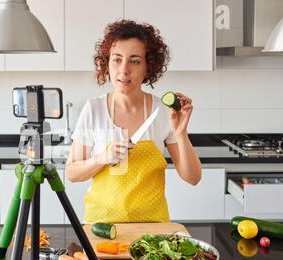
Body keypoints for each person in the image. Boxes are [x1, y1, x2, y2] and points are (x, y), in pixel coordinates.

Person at [65, 19, 202, 223]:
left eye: (135, 61)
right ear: (107, 62)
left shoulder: (163, 111)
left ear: (148, 67)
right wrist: (102, 158)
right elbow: (72, 173)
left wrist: (181, 133)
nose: (124, 70)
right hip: (101, 226)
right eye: (117, 59)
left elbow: (193, 178)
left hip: (153, 228)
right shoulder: (94, 109)